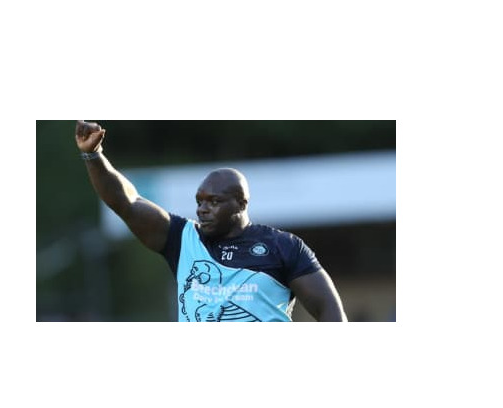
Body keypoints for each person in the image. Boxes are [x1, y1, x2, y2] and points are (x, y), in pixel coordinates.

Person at [76, 120, 348, 322]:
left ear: (241, 204)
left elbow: (329, 309)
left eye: (214, 202)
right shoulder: (182, 239)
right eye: (199, 201)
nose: (203, 209)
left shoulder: (283, 246)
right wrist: (93, 155)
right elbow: (127, 202)